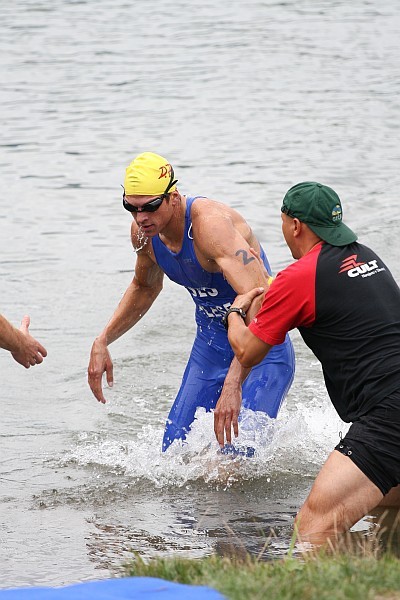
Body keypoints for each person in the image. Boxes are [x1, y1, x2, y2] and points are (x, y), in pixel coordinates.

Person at [221, 181, 400, 543]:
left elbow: (247, 351)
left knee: (313, 527)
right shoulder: (367, 257)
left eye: (284, 221)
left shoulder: (300, 277)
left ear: (295, 226)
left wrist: (236, 310)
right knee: (388, 506)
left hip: (388, 415)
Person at [87, 152, 295, 452]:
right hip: (210, 347)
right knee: (173, 455)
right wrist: (103, 339)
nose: (140, 217)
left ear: (173, 197)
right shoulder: (144, 234)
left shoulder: (209, 227)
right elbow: (145, 286)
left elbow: (263, 303)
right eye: (130, 207)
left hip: (262, 350)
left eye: (150, 207)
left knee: (235, 460)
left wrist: (234, 382)